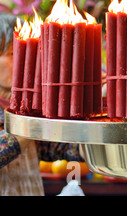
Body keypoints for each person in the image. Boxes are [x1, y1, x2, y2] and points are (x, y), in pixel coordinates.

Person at [0, 13, 82, 195]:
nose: (26, 60)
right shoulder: (26, 114)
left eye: (30, 52)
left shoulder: (25, 108)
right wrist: (28, 123)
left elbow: (58, 147)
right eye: (14, 53)